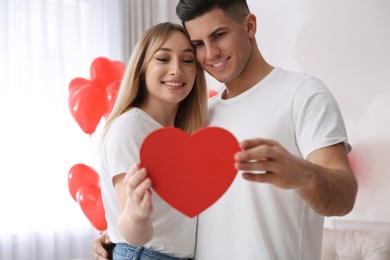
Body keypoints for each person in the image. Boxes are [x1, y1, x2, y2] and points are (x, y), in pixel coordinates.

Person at [92, 1, 358, 259]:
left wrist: (301, 175)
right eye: (198, 44)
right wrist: (119, 237)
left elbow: (344, 197)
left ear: (250, 26)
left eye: (219, 35)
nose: (210, 53)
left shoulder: (303, 94)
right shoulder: (199, 118)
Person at [97, 22, 208, 260]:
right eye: (163, 59)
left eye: (187, 60)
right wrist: (136, 215)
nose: (177, 69)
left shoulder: (187, 134)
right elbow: (133, 232)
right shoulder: (131, 127)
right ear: (142, 67)